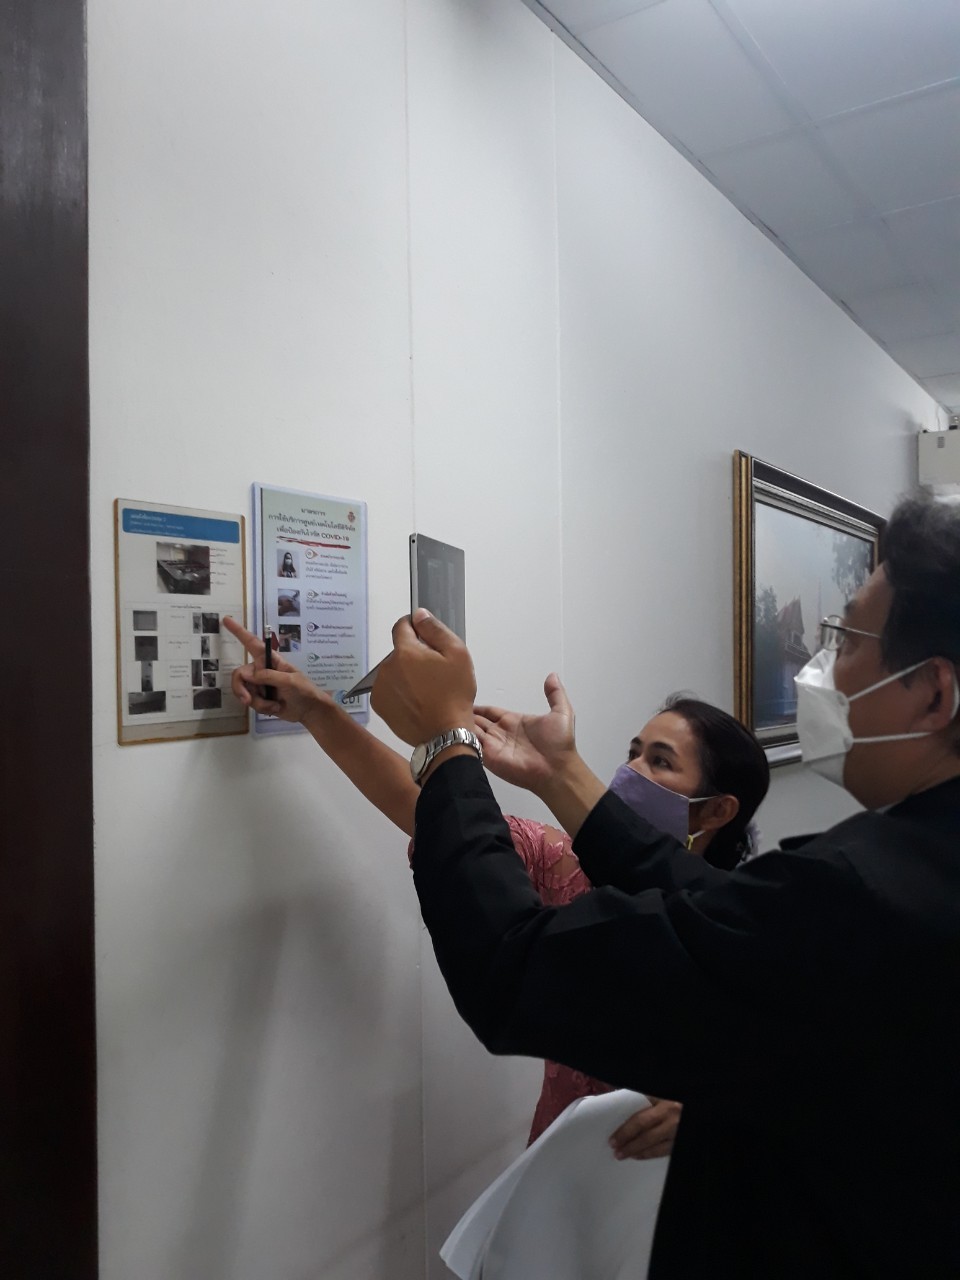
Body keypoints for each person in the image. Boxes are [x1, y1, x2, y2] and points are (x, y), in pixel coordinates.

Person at [363, 492, 960, 1278]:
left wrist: (446, 742)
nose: (821, 668)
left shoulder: (860, 899)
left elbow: (512, 966)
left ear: (934, 693)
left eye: (846, 639)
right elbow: (707, 904)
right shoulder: (910, 873)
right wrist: (560, 775)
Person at [221, 616, 769, 1154]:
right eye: (634, 752)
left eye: (661, 762)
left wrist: (724, 1104)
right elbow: (433, 813)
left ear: (716, 810)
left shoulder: (752, 937)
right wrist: (317, 711)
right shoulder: (568, 864)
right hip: (557, 1170)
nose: (631, 772)